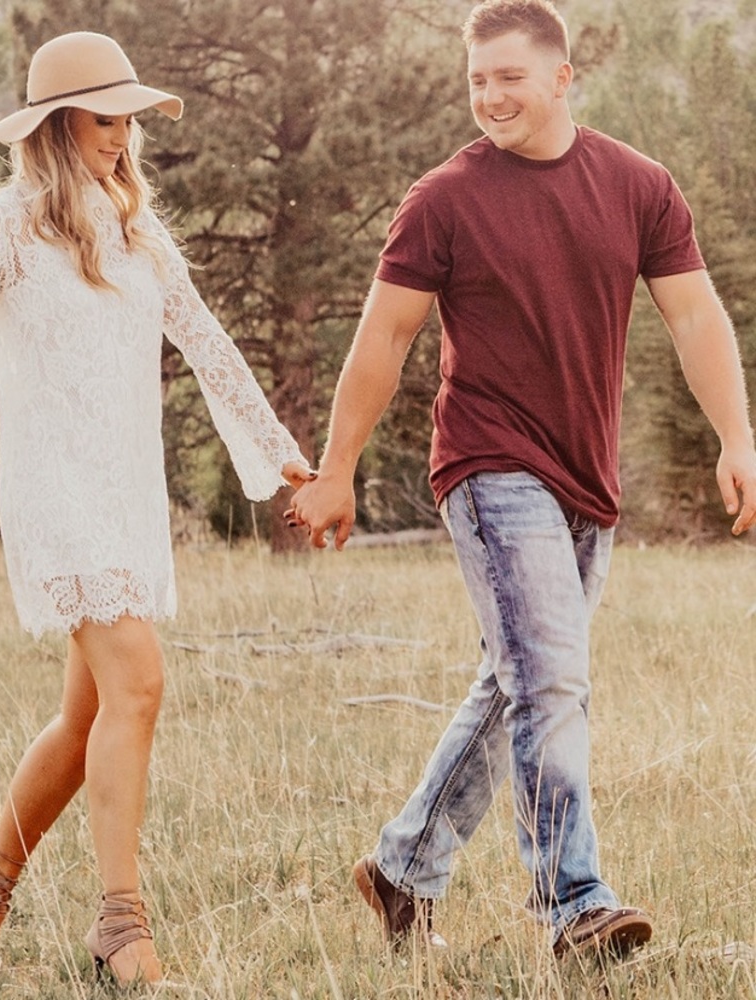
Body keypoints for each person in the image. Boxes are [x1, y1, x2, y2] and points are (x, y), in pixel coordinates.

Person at [0, 31, 311, 984]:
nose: (121, 138)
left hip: (126, 490)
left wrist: (288, 459)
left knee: (87, 726)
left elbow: (207, 345)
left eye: (127, 120)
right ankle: (121, 923)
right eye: (102, 119)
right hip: (53, 493)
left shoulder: (138, 231)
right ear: (52, 126)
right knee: (142, 685)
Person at [288, 0, 756, 961]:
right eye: (477, 80)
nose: (490, 96)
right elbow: (385, 336)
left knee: (520, 684)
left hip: (586, 475)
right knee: (550, 677)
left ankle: (403, 864)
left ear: (559, 77)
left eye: (509, 76)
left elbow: (698, 318)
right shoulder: (444, 199)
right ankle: (572, 904)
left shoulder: (639, 186)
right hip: (488, 461)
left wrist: (737, 436)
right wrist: (338, 467)